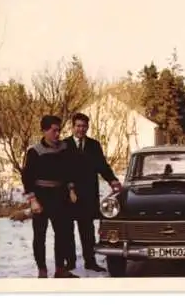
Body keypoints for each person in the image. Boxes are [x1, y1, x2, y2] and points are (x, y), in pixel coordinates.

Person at [21, 115, 79, 278]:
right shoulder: (35, 152)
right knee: (40, 236)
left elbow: (69, 172)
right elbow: (27, 177)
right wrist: (33, 200)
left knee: (62, 234)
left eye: (59, 130)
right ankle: (42, 270)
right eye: (54, 130)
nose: (57, 134)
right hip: (41, 196)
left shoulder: (64, 149)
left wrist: (71, 189)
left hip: (59, 196)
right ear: (44, 131)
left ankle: (60, 269)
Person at [64, 113, 122, 272]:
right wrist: (69, 188)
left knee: (87, 231)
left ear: (87, 127)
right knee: (68, 231)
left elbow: (102, 166)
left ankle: (90, 261)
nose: (81, 129)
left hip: (88, 194)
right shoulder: (64, 145)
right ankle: (70, 262)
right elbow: (61, 171)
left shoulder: (93, 145)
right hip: (68, 195)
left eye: (84, 126)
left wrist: (112, 180)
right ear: (72, 126)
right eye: (78, 126)